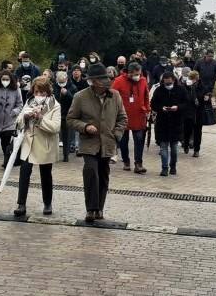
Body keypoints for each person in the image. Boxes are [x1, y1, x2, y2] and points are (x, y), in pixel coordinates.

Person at [67, 63, 128, 223]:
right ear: (93, 81)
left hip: (107, 143)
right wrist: (85, 127)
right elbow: (71, 119)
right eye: (101, 79)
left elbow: (123, 118)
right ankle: (91, 209)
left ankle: (100, 208)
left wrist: (117, 134)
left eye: (106, 78)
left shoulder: (114, 95)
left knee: (103, 175)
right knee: (90, 172)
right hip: (89, 143)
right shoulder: (80, 96)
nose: (106, 82)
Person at [13, 77, 61, 217]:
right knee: (24, 172)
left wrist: (40, 118)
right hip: (29, 143)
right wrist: (26, 117)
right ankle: (21, 204)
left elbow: (55, 127)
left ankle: (47, 203)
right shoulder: (29, 102)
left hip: (45, 144)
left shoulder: (55, 105)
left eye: (42, 93)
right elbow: (19, 122)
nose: (39, 96)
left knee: (45, 174)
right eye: (37, 92)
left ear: (48, 92)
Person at [112, 63, 150, 174]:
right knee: (123, 141)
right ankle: (126, 161)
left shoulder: (143, 81)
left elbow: (146, 96)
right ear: (129, 73)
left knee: (139, 140)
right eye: (136, 74)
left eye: (139, 73)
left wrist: (147, 109)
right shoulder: (119, 81)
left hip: (139, 115)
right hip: (123, 116)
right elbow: (112, 96)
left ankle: (138, 164)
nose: (138, 76)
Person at [151, 71, 187, 176]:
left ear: (173, 80)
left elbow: (186, 103)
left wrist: (178, 107)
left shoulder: (181, 90)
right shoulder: (158, 90)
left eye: (169, 82)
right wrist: (161, 108)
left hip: (176, 123)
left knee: (174, 148)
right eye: (166, 83)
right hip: (162, 123)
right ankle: (164, 167)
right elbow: (153, 104)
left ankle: (173, 166)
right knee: (163, 147)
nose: (167, 84)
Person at [0, 70, 23, 167]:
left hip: (10, 121)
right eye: (3, 79)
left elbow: (20, 105)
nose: (5, 81)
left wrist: (13, 112)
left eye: (7, 79)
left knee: (6, 143)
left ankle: (6, 162)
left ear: (11, 80)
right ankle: (7, 160)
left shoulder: (16, 90)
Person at [53, 70, 77, 161]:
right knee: (54, 134)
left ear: (66, 79)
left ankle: (66, 155)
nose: (61, 84)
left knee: (66, 135)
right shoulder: (53, 87)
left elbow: (75, 101)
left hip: (67, 114)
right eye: (59, 82)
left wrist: (67, 94)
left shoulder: (72, 87)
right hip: (55, 113)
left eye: (63, 82)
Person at [182, 70, 207, 157]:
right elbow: (184, 97)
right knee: (186, 130)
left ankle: (197, 150)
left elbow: (203, 97)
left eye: (194, 78)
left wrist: (194, 91)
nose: (192, 80)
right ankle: (185, 145)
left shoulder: (201, 86)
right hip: (188, 112)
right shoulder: (185, 86)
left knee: (197, 132)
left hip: (198, 112)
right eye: (190, 78)